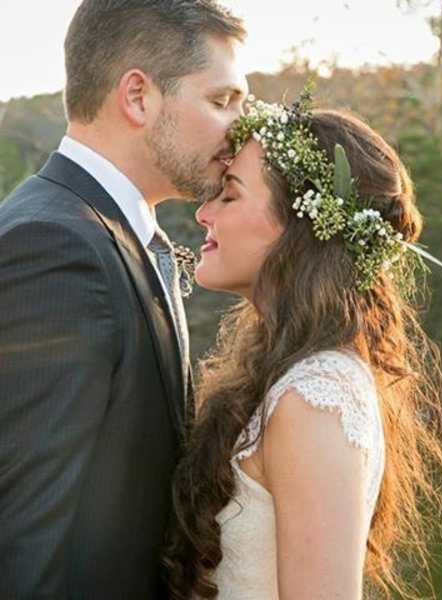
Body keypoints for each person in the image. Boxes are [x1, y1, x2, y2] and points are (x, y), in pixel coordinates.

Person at [163, 92, 442, 599]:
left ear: (299, 228)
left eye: (229, 195)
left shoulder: (316, 399)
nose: (205, 213)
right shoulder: (286, 373)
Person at [0, 1, 247, 598]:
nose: (240, 130)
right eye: (221, 101)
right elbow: (24, 540)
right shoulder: (54, 247)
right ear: (138, 96)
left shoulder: (113, 232)